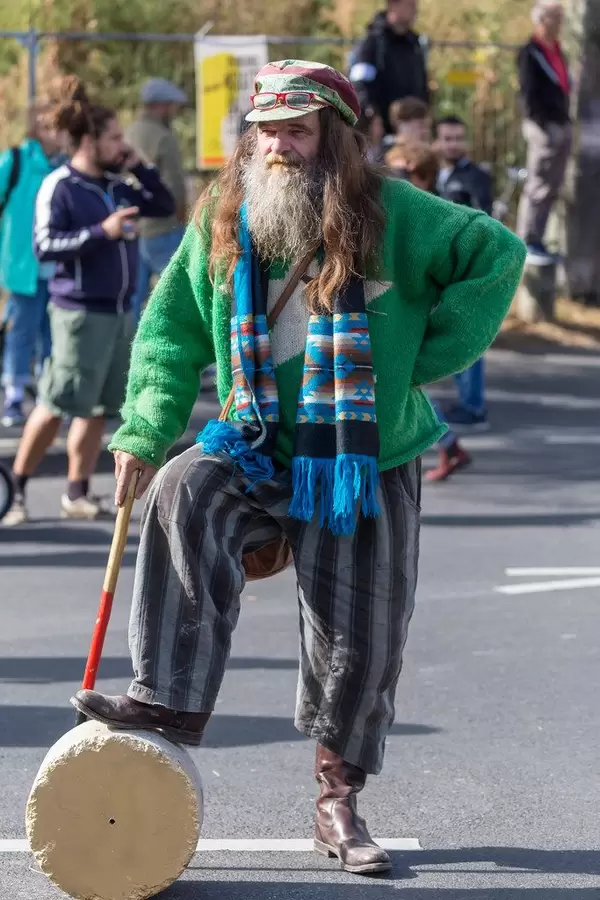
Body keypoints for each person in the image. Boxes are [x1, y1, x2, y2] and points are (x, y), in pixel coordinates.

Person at [71, 60, 525, 875]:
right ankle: (167, 694)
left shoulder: (396, 214)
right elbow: (170, 328)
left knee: (361, 637)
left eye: (298, 129)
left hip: (361, 458)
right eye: (267, 130)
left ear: (335, 140)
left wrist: (419, 359)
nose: (279, 147)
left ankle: (337, 799)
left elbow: (496, 257)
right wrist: (145, 427)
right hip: (254, 441)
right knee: (183, 488)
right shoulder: (222, 212)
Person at [3, 79, 175, 526]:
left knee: (100, 407)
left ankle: (76, 492)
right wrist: (103, 232)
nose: (123, 144)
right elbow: (46, 246)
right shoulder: (60, 187)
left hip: (119, 312)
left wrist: (140, 165)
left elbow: (164, 204)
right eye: (115, 137)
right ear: (88, 141)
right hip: (77, 314)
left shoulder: (120, 185)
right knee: (58, 402)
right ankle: (16, 489)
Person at [385, 139, 474, 482]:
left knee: (405, 385)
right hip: (407, 310)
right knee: (409, 386)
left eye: (397, 172)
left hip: (414, 312)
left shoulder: (429, 212)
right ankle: (450, 445)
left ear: (415, 174)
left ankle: (449, 444)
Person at [0, 106, 63, 428]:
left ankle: (46, 398)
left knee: (51, 335)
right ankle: (13, 395)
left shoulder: (65, 165)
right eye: (50, 125)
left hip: (57, 266)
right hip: (21, 265)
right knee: (21, 331)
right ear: (37, 128)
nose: (57, 131)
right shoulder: (15, 160)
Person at [435, 115, 494, 432]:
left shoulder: (477, 178)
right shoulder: (430, 175)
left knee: (469, 335)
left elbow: (485, 224)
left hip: (466, 269)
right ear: (437, 141)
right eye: (447, 138)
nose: (453, 144)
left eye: (458, 138)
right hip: (437, 268)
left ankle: (474, 407)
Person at [126, 78, 188, 325]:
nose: (174, 112)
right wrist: (180, 216)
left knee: (133, 298)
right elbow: (175, 187)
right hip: (163, 228)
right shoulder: (164, 137)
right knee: (176, 295)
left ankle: (126, 355)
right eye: (172, 106)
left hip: (133, 227)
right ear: (161, 106)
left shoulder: (129, 132)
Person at [517, 0, 571, 264]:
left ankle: (539, 238)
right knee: (538, 183)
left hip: (560, 123)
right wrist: (542, 125)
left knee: (553, 183)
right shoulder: (530, 52)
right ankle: (527, 239)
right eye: (555, 17)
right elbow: (528, 93)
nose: (559, 22)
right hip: (543, 127)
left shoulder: (558, 51)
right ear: (542, 20)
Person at [350, 0, 429, 135]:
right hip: (382, 130)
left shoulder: (415, 44)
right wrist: (372, 116)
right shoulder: (373, 43)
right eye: (410, 5)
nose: (415, 10)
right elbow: (360, 84)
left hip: (412, 126)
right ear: (393, 5)